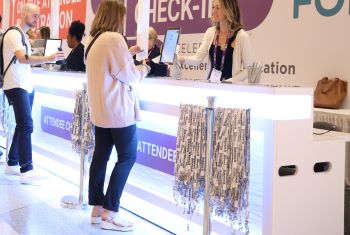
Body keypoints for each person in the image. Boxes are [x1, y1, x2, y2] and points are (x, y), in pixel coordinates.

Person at [85, 0, 150, 231]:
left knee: (101, 157)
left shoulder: (93, 42)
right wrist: (144, 67)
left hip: (101, 112)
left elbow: (110, 66)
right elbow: (129, 76)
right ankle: (111, 213)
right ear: (116, 18)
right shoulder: (113, 39)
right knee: (127, 157)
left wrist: (127, 53)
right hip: (118, 112)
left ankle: (97, 209)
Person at [2, 3, 65, 183]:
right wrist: (48, 58)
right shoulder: (13, 33)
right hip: (16, 85)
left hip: (25, 85)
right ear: (24, 14)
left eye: (38, 16)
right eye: (34, 16)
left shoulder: (22, 35)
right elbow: (23, 59)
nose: (37, 20)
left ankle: (13, 163)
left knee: (23, 125)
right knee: (26, 125)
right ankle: (26, 170)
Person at [179, 0, 252, 81]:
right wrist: (180, 59)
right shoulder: (210, 32)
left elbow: (248, 69)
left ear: (229, 9)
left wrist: (229, 82)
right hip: (211, 87)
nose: (214, 11)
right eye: (213, 7)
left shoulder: (241, 36)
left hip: (230, 90)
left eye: (218, 7)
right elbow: (197, 59)